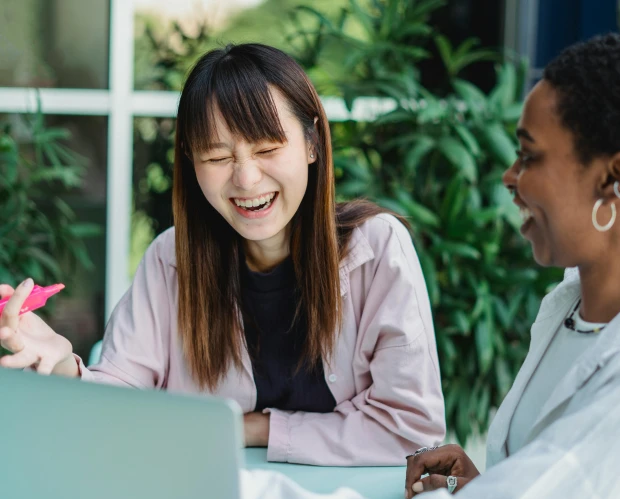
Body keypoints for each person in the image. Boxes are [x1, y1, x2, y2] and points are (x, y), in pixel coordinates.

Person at [235, 31, 620, 499]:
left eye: (530, 155)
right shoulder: (574, 310)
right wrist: (493, 488)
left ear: (615, 180)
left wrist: (232, 494)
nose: (509, 176)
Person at [0, 43, 445, 466]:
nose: (247, 179)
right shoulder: (172, 259)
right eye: (216, 157)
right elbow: (119, 405)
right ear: (192, 163)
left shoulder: (376, 249)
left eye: (268, 149)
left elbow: (412, 429)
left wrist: (255, 429)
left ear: (312, 143)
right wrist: (62, 365)